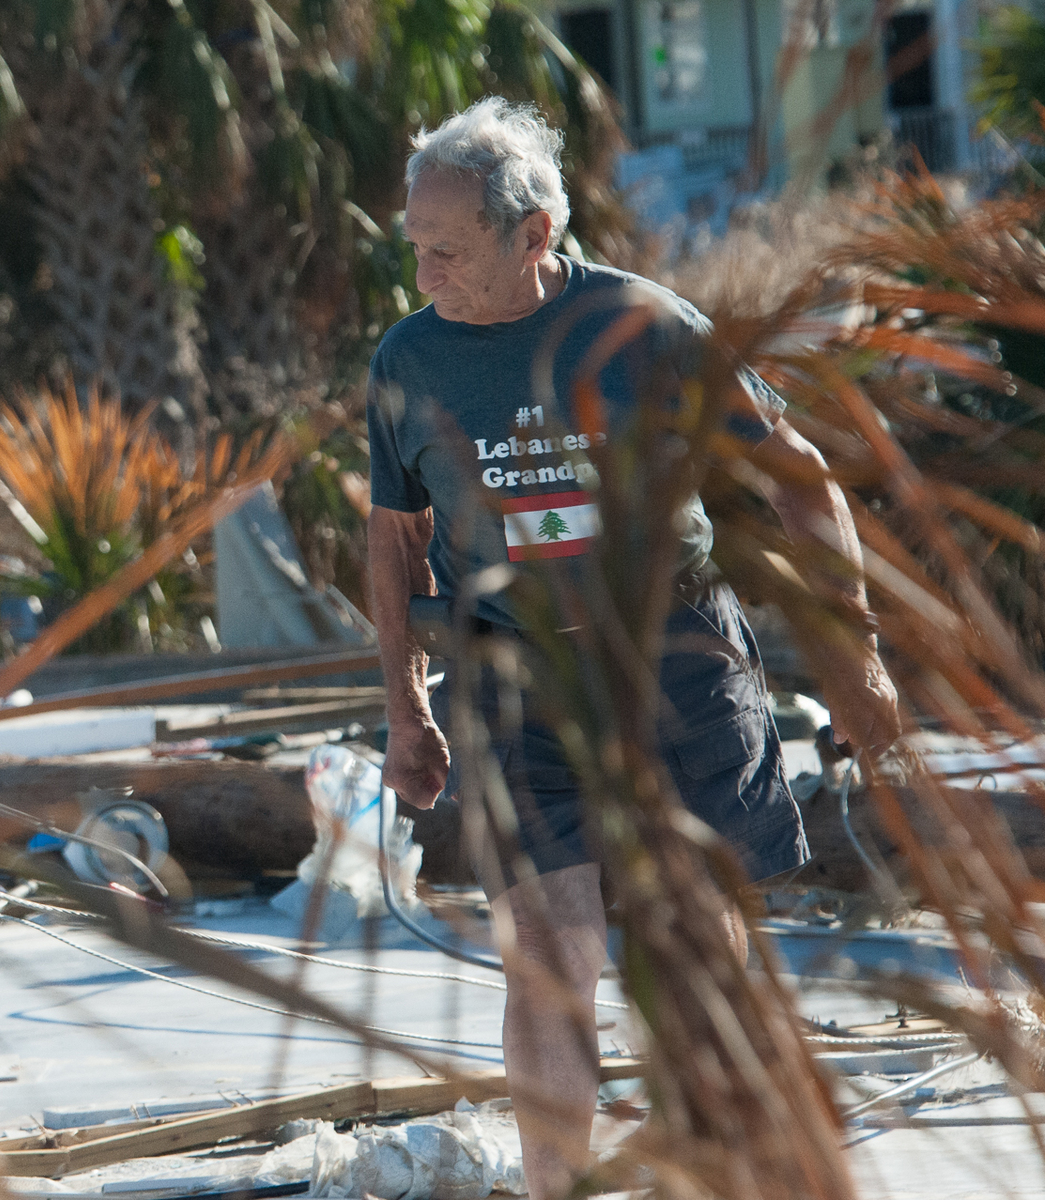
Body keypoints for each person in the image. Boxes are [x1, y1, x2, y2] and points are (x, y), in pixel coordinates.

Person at [365, 97, 901, 1199]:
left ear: (535, 233)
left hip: (680, 662)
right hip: (515, 670)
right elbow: (395, 536)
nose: (425, 275)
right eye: (415, 249)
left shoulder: (645, 328)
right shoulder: (406, 361)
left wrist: (858, 656)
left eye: (447, 252)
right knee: (552, 957)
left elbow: (799, 478)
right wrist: (405, 705)